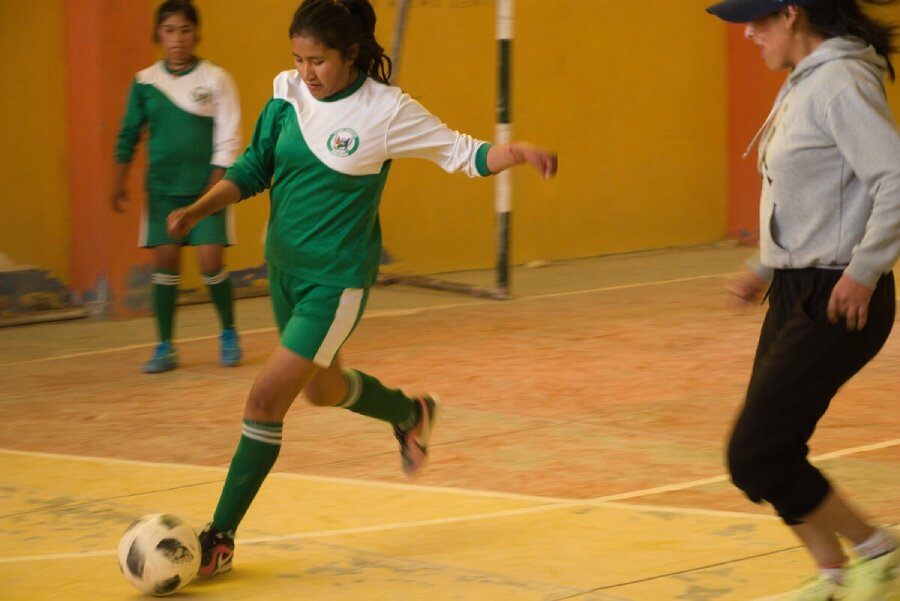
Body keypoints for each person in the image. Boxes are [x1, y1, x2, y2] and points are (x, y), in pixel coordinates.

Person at [166, 0, 557, 578]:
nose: (306, 72)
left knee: (264, 401)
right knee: (322, 391)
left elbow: (461, 153)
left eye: (318, 60)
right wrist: (197, 210)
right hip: (284, 272)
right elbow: (253, 169)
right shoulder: (286, 91)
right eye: (297, 58)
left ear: (350, 54)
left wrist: (515, 153)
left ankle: (219, 537)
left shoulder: (386, 110)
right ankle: (410, 411)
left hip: (335, 283)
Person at [707, 0, 900, 599]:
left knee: (755, 453)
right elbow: (807, 191)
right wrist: (766, 264)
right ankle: (831, 574)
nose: (747, 33)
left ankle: (875, 547)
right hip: (796, 287)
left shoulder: (840, 81)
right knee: (770, 451)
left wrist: (865, 270)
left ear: (791, 14)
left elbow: (894, 179)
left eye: (757, 20)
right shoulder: (803, 82)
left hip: (841, 295)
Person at [113, 0, 243, 373]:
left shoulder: (216, 79)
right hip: (163, 191)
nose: (177, 39)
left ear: (196, 34)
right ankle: (165, 346)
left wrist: (212, 191)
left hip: (207, 190)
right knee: (166, 264)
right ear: (158, 35)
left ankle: (229, 333)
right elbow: (128, 134)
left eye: (185, 30)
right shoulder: (144, 83)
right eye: (169, 30)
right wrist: (119, 181)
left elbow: (229, 138)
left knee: (210, 261)